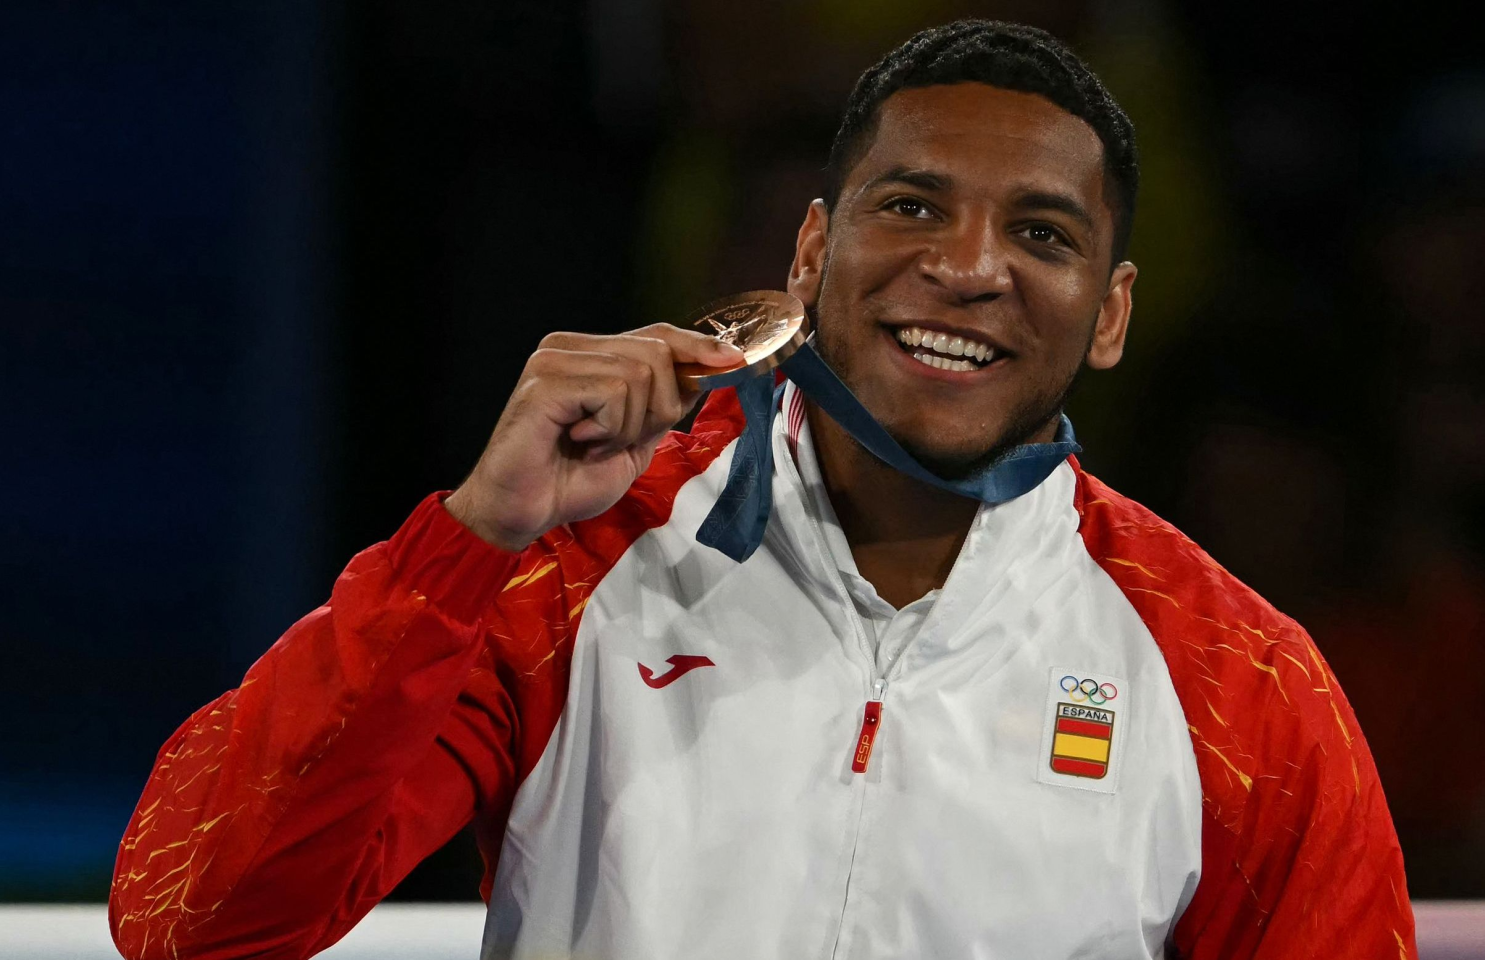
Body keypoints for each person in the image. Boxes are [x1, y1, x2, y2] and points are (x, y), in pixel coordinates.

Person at [110, 20, 1415, 959]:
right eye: (910, 207)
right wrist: (469, 536)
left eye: (1041, 232)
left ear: (1111, 313)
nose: (968, 267)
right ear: (809, 250)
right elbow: (197, 920)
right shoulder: (562, 571)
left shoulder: (1242, 687)